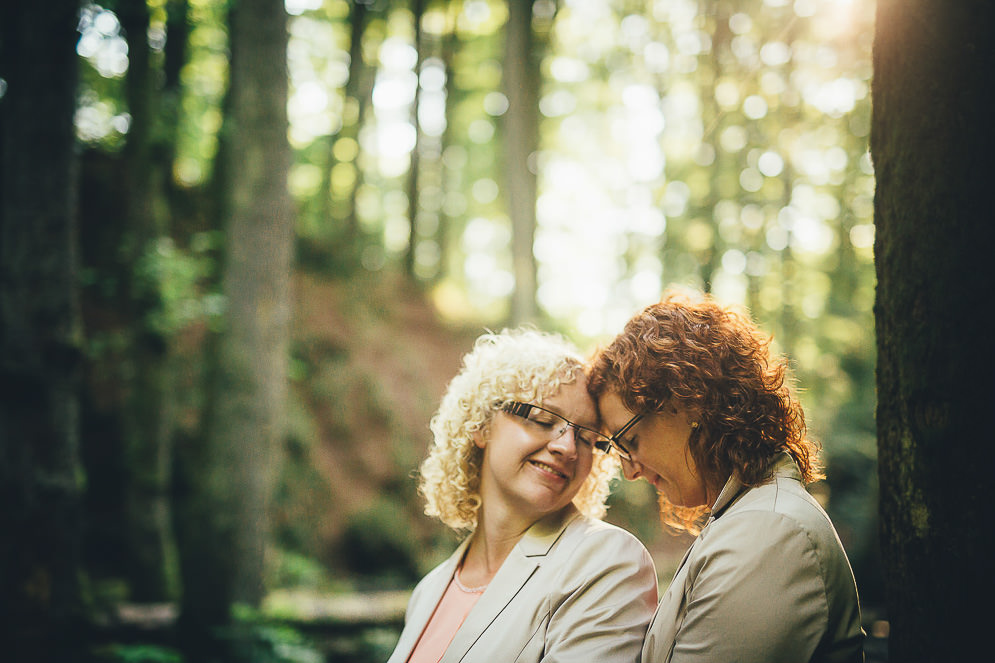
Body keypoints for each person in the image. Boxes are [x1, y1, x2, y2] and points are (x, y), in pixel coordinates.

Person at [588, 290, 865, 663]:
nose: (630, 469)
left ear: (690, 400)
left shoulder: (769, 532)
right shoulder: (748, 517)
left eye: (630, 441)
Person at [387, 328, 659, 663]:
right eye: (541, 418)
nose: (567, 447)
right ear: (482, 424)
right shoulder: (427, 592)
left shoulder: (607, 561)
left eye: (587, 438)